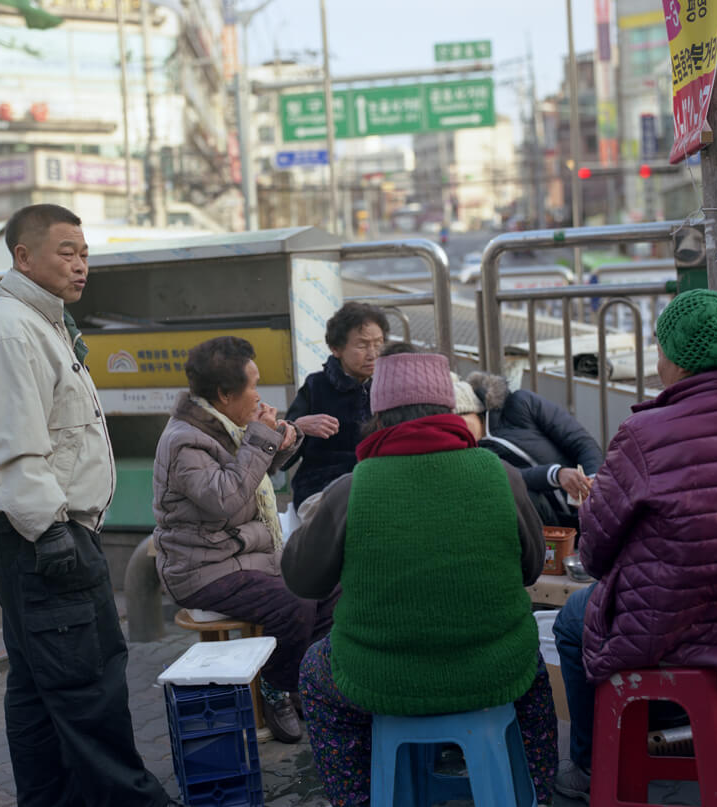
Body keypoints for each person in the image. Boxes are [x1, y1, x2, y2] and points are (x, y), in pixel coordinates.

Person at [0, 204, 169, 806]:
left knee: (39, 687)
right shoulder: (9, 330)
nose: (80, 265)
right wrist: (54, 534)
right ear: (23, 256)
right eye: (65, 252)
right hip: (43, 537)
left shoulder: (41, 323)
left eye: (84, 253)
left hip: (40, 534)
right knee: (87, 686)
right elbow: (11, 450)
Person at [282, 352, 558, 807]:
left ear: (378, 416)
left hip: (381, 678)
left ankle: (363, 799)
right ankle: (537, 791)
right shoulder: (500, 475)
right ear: (450, 411)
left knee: (315, 673)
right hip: (495, 669)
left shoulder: (353, 488)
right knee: (531, 675)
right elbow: (531, 570)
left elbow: (303, 581)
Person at [552, 289, 717, 801]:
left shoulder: (643, 433)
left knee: (572, 621)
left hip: (671, 621)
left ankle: (590, 765)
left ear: (675, 358)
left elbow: (594, 553)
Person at [152, 335, 339, 744]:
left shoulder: (227, 425)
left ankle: (306, 680)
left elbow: (250, 473)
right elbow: (225, 498)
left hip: (245, 557)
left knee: (328, 583)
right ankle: (276, 686)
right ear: (223, 394)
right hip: (201, 570)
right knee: (295, 601)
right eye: (253, 385)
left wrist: (283, 438)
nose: (259, 394)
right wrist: (260, 437)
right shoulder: (185, 439)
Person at [284, 302, 389, 510]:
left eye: (378, 344)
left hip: (380, 484)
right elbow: (282, 462)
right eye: (362, 345)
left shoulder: (392, 385)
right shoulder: (316, 387)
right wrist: (297, 427)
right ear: (336, 349)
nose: (372, 354)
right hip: (322, 489)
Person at [466, 370, 603, 529]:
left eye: (461, 415)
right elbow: (508, 477)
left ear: (474, 408)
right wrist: (555, 475)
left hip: (595, 510)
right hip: (549, 527)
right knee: (519, 494)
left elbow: (581, 442)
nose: (459, 424)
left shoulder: (520, 403)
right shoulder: (469, 455)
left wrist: (593, 485)